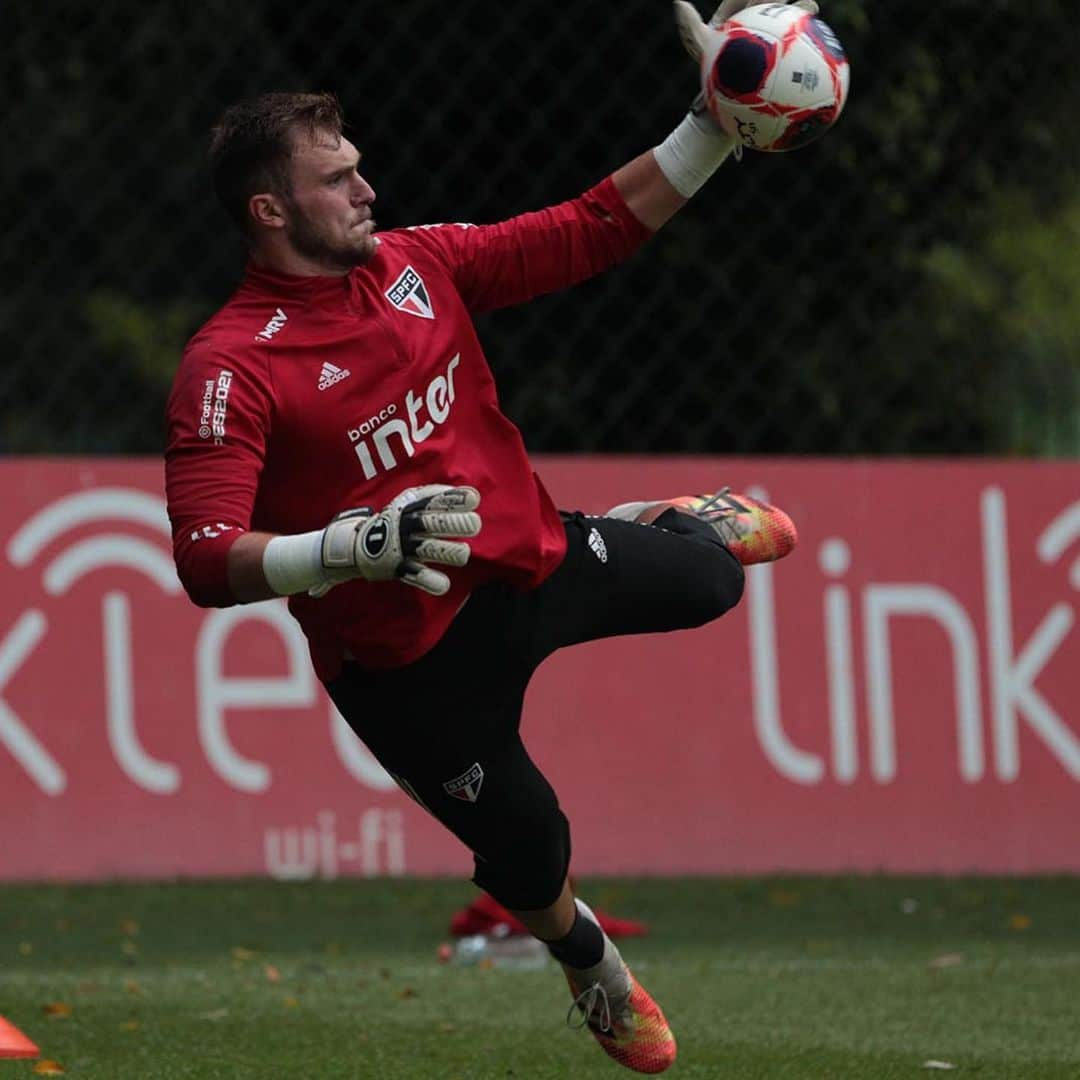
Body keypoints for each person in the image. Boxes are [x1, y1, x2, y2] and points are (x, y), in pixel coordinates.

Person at [165, 0, 815, 1072]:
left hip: (529, 561)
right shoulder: (229, 366)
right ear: (270, 210)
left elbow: (588, 228)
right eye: (339, 179)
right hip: (407, 667)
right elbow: (203, 559)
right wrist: (345, 548)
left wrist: (712, 124)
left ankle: (678, 524)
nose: (368, 189)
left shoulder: (417, 265)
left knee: (714, 584)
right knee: (530, 851)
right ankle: (594, 967)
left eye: (361, 167)